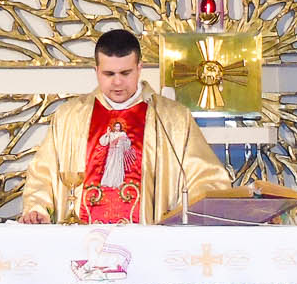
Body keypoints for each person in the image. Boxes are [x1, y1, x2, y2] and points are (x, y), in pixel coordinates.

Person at [19, 29, 230, 224]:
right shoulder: (70, 116)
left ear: (139, 69)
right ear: (96, 71)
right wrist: (38, 208)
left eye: (125, 73)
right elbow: (43, 174)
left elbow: (205, 178)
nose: (117, 82)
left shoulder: (172, 118)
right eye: (109, 74)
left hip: (150, 240)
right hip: (81, 241)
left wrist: (193, 212)